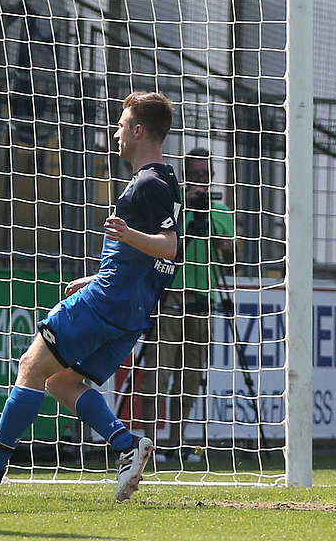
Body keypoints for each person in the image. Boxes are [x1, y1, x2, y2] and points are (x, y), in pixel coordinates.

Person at [0, 91, 180, 502]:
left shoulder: (148, 183)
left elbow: (168, 248)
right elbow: (144, 260)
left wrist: (126, 238)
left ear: (139, 130)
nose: (117, 132)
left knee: (31, 364)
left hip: (108, 305)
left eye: (122, 125)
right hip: (128, 310)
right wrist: (96, 276)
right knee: (61, 382)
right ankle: (126, 446)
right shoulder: (166, 179)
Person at [140, 147, 234, 465]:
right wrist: (188, 211)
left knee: (190, 377)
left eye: (205, 177)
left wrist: (217, 232)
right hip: (171, 299)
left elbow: (231, 259)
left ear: (213, 179)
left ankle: (176, 443)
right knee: (157, 373)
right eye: (194, 177)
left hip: (203, 300)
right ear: (184, 179)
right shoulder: (174, 209)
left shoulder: (220, 212)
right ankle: (148, 445)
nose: (200, 184)